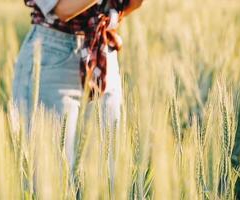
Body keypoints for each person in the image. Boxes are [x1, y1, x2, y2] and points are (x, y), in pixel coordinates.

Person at [13, 0, 144, 168]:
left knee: (108, 181)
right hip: (52, 57)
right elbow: (64, 9)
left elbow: (130, 4)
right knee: (52, 181)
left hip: (102, 52)